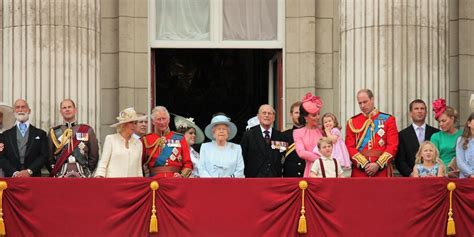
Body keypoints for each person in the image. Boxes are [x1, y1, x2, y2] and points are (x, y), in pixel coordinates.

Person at [345, 89, 399, 177]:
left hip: (382, 171)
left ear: (372, 99)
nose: (362, 105)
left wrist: (378, 164)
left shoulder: (388, 120)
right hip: (360, 171)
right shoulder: (352, 122)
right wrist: (364, 164)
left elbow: (392, 146)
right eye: (360, 103)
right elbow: (349, 147)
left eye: (365, 102)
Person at [48, 99, 99, 178]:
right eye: (64, 108)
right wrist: (54, 171)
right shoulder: (54, 132)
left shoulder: (87, 130)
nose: (67, 109)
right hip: (60, 174)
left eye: (69, 107)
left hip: (83, 174)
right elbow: (49, 156)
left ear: (75, 110)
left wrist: (88, 170)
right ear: (61, 112)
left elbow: (94, 154)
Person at [0, 99, 48, 177]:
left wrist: (29, 171)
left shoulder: (40, 134)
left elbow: (44, 156)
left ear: (29, 111)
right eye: (17, 107)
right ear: (13, 111)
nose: (20, 110)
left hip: (34, 178)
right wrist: (14, 173)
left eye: (23, 107)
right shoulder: (5, 135)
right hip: (12, 179)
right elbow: (1, 158)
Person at [141, 106, 193, 177]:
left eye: (164, 119)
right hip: (154, 182)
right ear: (153, 122)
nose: (162, 122)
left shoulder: (180, 138)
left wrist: (182, 176)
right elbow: (139, 164)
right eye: (159, 119)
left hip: (175, 181)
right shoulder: (145, 140)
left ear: (168, 120)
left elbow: (188, 164)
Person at [95, 108, 145, 178]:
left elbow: (138, 169)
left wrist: (140, 183)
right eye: (131, 122)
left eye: (135, 123)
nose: (134, 126)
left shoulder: (138, 143)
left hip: (131, 184)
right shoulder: (111, 139)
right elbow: (103, 163)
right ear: (123, 124)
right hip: (113, 183)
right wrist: (99, 177)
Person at [396, 99, 439, 177]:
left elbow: (439, 156)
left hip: (433, 177)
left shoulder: (436, 133)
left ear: (426, 112)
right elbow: (400, 160)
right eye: (416, 109)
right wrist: (412, 174)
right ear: (411, 113)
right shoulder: (402, 135)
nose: (420, 111)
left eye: (422, 109)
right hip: (411, 179)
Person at [241, 104, 287, 177]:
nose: (267, 115)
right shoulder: (248, 135)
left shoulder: (280, 136)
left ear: (274, 117)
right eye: (264, 113)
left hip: (275, 179)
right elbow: (242, 158)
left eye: (269, 113)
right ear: (258, 116)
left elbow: (284, 156)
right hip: (254, 179)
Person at [293, 92, 324, 177]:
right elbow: (301, 152)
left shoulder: (323, 130)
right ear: (305, 117)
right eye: (314, 115)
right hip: (312, 169)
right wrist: (321, 160)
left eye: (318, 114)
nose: (318, 117)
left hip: (327, 169)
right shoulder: (298, 132)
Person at [430, 98, 462, 177]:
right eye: (439, 122)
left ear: (452, 118)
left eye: (443, 121)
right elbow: (433, 159)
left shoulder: (463, 134)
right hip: (442, 174)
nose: (441, 124)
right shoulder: (436, 137)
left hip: (462, 174)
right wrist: (444, 172)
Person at [282, 101, 306, 177]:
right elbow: (277, 157)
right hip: (290, 177)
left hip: (308, 175)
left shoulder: (311, 133)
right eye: (296, 113)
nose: (299, 115)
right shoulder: (284, 135)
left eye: (301, 113)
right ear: (291, 114)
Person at [455, 112, 474, 178]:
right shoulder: (461, 140)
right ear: (469, 123)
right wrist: (471, 174)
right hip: (466, 179)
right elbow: (460, 162)